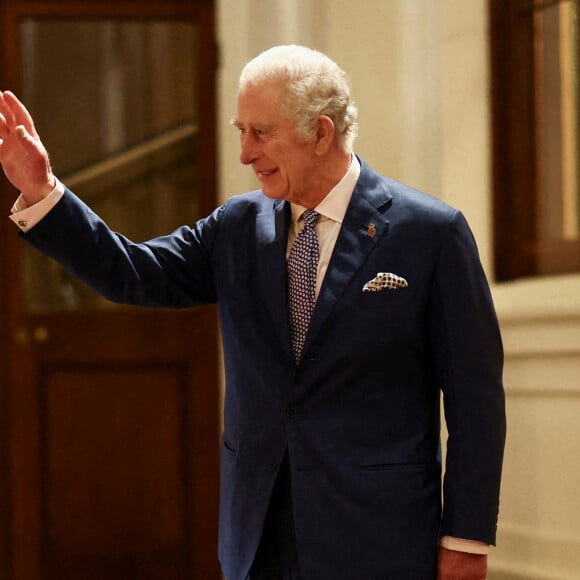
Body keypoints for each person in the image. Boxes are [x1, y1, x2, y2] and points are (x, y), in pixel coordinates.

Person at [0, 45, 505, 580]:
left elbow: (475, 402)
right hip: (257, 533)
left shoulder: (431, 233)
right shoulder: (236, 226)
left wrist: (466, 540)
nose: (244, 153)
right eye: (241, 131)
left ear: (321, 133)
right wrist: (43, 191)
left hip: (377, 534)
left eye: (260, 133)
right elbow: (135, 272)